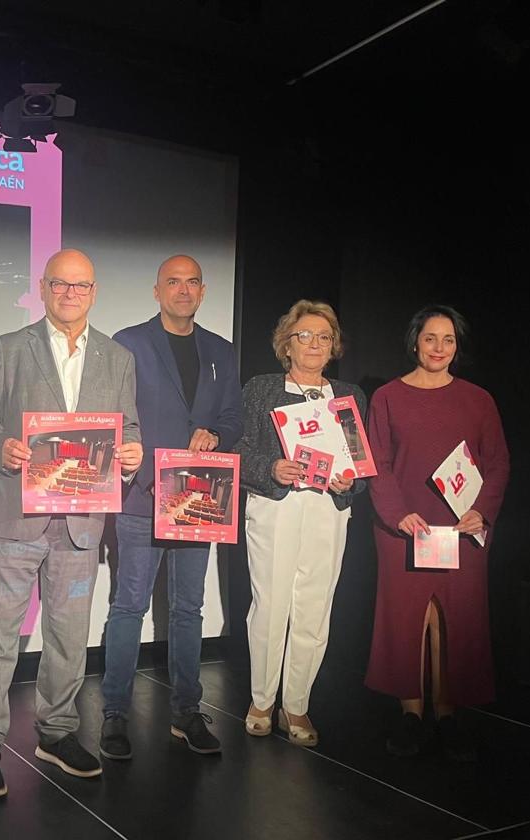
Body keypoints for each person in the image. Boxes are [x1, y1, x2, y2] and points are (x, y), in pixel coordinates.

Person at [0, 248, 143, 798]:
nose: (70, 293)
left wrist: (131, 454)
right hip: (14, 516)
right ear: (43, 288)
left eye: (80, 286)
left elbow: (128, 426)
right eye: (60, 284)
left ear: (94, 292)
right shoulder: (10, 348)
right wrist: (3, 447)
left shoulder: (117, 358)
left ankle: (57, 733)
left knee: (68, 637)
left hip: (81, 525)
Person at [99, 255, 243, 760]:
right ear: (156, 290)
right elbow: (111, 412)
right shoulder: (129, 343)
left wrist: (218, 433)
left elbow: (232, 418)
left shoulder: (222, 352)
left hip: (197, 500)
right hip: (141, 497)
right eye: (173, 282)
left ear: (203, 292)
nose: (183, 290)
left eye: (192, 283)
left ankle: (186, 712)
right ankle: (114, 713)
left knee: (188, 609)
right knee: (129, 606)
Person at [366, 305, 509, 762]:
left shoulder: (479, 399)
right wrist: (396, 514)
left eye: (448, 340)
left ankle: (447, 716)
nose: (439, 348)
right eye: (431, 338)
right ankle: (411, 714)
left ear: (457, 347)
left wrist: (482, 514)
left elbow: (498, 463)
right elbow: (377, 463)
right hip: (405, 527)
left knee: (453, 618)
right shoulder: (387, 396)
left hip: (461, 528)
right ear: (415, 342)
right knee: (408, 617)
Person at [232, 300, 367, 748]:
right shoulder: (262, 388)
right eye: (304, 335)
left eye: (323, 337)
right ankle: (261, 700)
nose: (313, 344)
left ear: (334, 348)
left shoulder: (349, 396)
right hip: (278, 506)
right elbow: (239, 450)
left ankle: (298, 703)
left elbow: (360, 465)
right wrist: (271, 467)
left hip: (329, 509)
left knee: (315, 607)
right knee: (270, 604)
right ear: (286, 344)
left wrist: (350, 481)